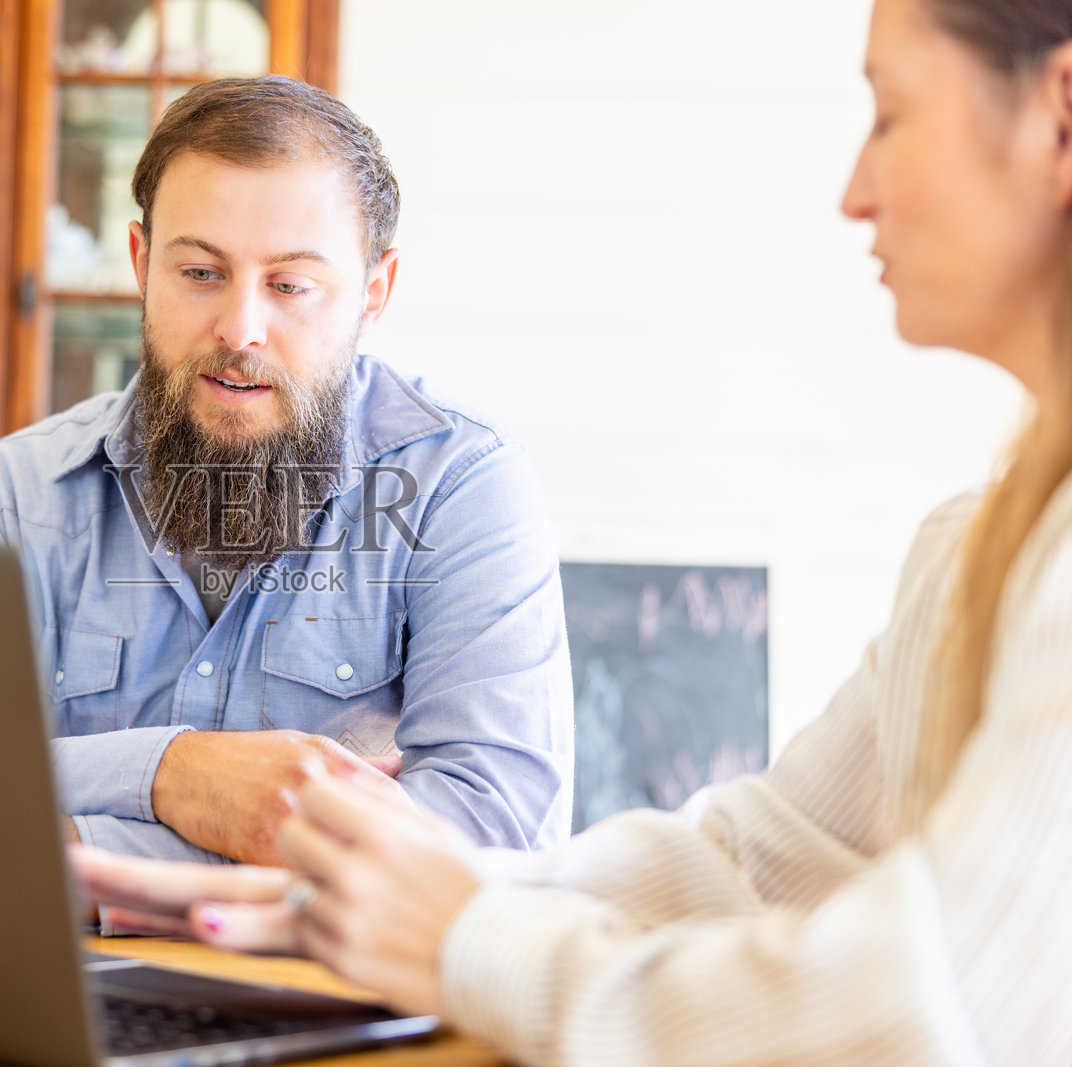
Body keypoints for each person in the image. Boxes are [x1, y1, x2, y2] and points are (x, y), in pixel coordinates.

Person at [69, 0, 1072, 1060]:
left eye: (891, 115)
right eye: (199, 268)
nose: (853, 192)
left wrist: (467, 939)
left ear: (1058, 116)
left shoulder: (462, 476)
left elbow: (922, 1002)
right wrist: (347, 897)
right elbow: (748, 862)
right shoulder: (974, 547)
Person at [0, 77, 574, 878]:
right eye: (200, 272)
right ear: (141, 262)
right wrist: (172, 773)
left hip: (340, 1003)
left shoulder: (462, 486)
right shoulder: (10, 499)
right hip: (47, 999)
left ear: (374, 293)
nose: (240, 329)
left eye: (290, 285)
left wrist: (81, 845)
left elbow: (495, 837)